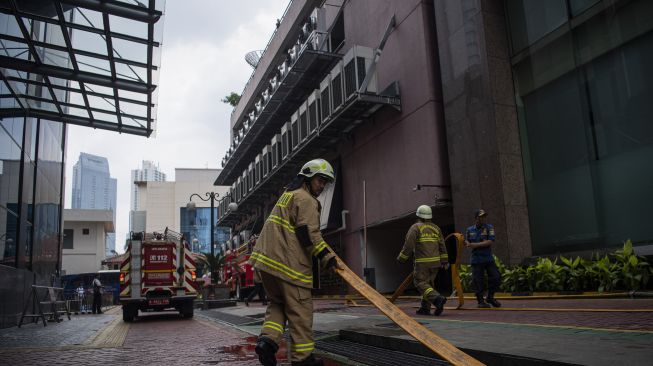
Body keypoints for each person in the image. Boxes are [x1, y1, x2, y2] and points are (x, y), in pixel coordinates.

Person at [249, 158, 340, 366]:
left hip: (267, 265)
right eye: (320, 180)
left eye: (326, 182)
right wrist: (328, 258)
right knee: (301, 313)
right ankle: (303, 360)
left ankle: (267, 342)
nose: (322, 185)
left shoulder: (286, 196)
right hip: (289, 267)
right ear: (307, 178)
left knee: (278, 305)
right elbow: (309, 234)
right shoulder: (306, 199)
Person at [396, 205, 449, 316]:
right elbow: (442, 245)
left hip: (423, 262)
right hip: (436, 263)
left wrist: (401, 258)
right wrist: (444, 261)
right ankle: (425, 308)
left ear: (418, 216)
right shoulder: (436, 228)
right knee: (428, 284)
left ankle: (437, 299)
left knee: (420, 283)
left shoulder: (416, 227)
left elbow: (409, 245)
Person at [465, 209, 502, 308]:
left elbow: (490, 241)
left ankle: (490, 297)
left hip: (488, 258)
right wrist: (467, 243)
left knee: (496, 277)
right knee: (478, 281)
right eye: (481, 216)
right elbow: (467, 243)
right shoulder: (469, 230)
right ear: (476, 218)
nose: (483, 218)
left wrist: (474, 245)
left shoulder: (489, 227)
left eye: (484, 216)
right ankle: (480, 301)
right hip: (476, 260)